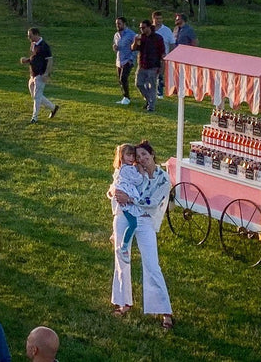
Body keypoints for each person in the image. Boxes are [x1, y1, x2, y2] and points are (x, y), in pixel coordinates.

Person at [110, 140, 174, 330]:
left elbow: (152, 202)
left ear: (152, 154)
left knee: (152, 265)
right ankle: (124, 302)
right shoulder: (133, 170)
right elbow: (115, 184)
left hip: (145, 220)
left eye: (145, 155)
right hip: (124, 216)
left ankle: (165, 310)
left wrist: (128, 197)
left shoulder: (163, 179)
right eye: (138, 157)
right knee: (121, 260)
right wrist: (115, 192)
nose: (141, 160)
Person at [111, 143, 146, 256]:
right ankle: (124, 246)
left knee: (133, 223)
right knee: (133, 224)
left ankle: (118, 239)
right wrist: (141, 171)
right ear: (122, 156)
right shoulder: (126, 170)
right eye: (128, 155)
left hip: (127, 199)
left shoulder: (125, 168)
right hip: (125, 202)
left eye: (133, 156)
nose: (131, 158)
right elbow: (138, 180)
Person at [20, 27, 59, 122]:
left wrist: (46, 74)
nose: (29, 37)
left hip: (41, 75)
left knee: (37, 97)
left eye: (30, 35)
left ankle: (34, 117)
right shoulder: (33, 44)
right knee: (35, 96)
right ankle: (53, 108)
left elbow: (50, 61)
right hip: (32, 74)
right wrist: (27, 60)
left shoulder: (44, 46)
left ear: (36, 34)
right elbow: (34, 57)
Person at [131, 20, 165, 112]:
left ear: (149, 27)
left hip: (153, 66)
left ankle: (151, 107)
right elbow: (133, 48)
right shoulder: (141, 38)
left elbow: (162, 53)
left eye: (143, 28)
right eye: (140, 28)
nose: (141, 30)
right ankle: (149, 100)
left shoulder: (158, 38)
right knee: (138, 83)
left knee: (152, 87)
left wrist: (162, 67)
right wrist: (135, 41)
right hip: (142, 65)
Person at [151, 11, 175, 96]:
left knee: (160, 74)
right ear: (153, 19)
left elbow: (172, 43)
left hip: (163, 56)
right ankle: (151, 91)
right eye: (157, 19)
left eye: (160, 18)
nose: (159, 20)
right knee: (151, 74)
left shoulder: (167, 30)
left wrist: (170, 56)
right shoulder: (150, 29)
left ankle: (159, 92)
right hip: (150, 56)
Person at [113, 17, 135, 105]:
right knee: (120, 80)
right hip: (119, 60)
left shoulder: (131, 34)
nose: (117, 25)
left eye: (119, 23)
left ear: (124, 24)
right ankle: (125, 97)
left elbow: (136, 48)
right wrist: (115, 47)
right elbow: (115, 45)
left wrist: (131, 59)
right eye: (116, 24)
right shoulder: (116, 35)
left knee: (123, 78)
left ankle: (127, 97)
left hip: (127, 60)